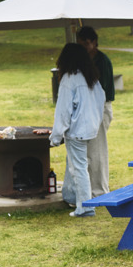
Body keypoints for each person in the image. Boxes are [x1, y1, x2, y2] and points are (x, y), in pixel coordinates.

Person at [49, 43, 106, 218]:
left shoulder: (69, 79)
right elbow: (101, 100)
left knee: (79, 169)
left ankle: (85, 207)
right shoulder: (91, 77)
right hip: (90, 130)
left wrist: (55, 137)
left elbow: (63, 110)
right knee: (81, 167)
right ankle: (80, 202)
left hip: (77, 132)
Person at [78, 26, 114, 197]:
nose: (83, 47)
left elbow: (101, 90)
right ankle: (87, 188)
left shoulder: (102, 61)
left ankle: (99, 191)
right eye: (80, 44)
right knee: (86, 152)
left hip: (100, 108)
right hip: (86, 109)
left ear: (93, 42)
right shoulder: (83, 60)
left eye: (85, 44)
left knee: (97, 151)